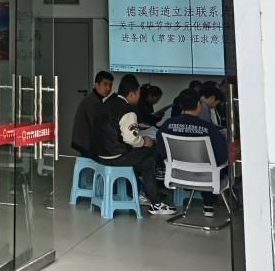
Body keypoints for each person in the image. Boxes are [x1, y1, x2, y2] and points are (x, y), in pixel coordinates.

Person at [93, 75, 176, 215]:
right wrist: (144, 141)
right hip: (116, 155)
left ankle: (147, 196)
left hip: (101, 155)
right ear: (131, 94)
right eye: (138, 94)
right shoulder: (128, 110)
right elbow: (131, 139)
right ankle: (159, 179)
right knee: (154, 148)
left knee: (147, 162)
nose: (139, 97)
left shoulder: (109, 102)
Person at [156, 88, 228, 217]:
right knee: (217, 164)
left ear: (180, 106)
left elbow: (161, 149)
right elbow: (222, 155)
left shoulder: (167, 125)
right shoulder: (208, 128)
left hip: (177, 175)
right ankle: (208, 205)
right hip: (207, 178)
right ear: (199, 105)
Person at [70, 70, 114, 159]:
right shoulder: (94, 102)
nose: (108, 88)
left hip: (83, 140)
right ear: (97, 85)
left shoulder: (94, 98)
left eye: (110, 85)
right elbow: (98, 127)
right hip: (85, 143)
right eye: (105, 84)